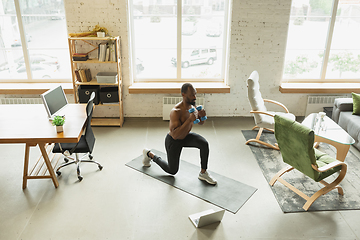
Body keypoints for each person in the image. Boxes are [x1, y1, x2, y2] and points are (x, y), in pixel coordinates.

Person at [142, 83, 217, 185]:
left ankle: (203, 173)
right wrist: (189, 119)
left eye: (195, 94)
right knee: (172, 170)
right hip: (174, 141)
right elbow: (175, 135)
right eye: (192, 95)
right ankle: (150, 154)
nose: (195, 97)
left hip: (185, 136)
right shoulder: (176, 111)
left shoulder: (192, 106)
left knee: (203, 143)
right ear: (183, 94)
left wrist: (202, 117)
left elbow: (199, 122)